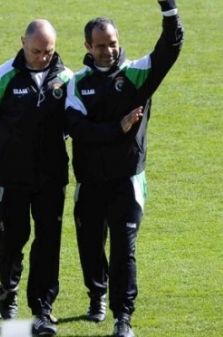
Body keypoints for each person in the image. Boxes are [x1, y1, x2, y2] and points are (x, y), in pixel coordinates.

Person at [65, 1, 184, 336]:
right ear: (88, 47)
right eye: (101, 45)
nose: (108, 50)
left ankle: (123, 318)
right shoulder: (77, 84)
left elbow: (170, 47)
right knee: (89, 244)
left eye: (113, 42)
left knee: (124, 249)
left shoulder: (136, 74)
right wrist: (116, 128)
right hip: (88, 182)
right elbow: (78, 129)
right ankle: (96, 294)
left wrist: (169, 11)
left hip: (127, 181)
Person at [0, 19, 73, 336]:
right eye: (36, 51)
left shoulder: (66, 79)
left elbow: (78, 126)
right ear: (22, 42)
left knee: (48, 245)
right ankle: (7, 290)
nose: (43, 57)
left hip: (51, 180)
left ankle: (43, 310)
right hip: (10, 180)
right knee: (10, 242)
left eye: (48, 51)